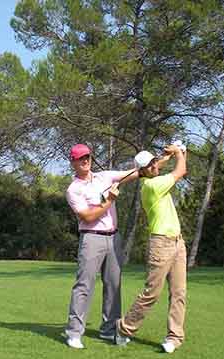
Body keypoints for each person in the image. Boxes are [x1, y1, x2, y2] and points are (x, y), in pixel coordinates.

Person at [64, 143, 138, 349]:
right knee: (84, 286)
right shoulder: (74, 189)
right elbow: (87, 217)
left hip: (114, 238)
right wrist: (109, 201)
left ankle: (109, 330)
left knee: (113, 286)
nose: (85, 160)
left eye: (87, 156)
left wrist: (157, 160)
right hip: (91, 238)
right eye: (80, 158)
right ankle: (74, 333)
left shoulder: (104, 176)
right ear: (73, 162)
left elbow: (131, 173)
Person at [115, 143, 188, 354]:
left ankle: (174, 338)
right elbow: (181, 170)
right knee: (151, 293)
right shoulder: (151, 186)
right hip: (161, 243)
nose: (155, 165)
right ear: (143, 171)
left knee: (179, 293)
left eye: (154, 161)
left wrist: (170, 155)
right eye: (150, 164)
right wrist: (178, 153)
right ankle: (124, 329)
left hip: (178, 242)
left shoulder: (155, 176)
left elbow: (163, 164)